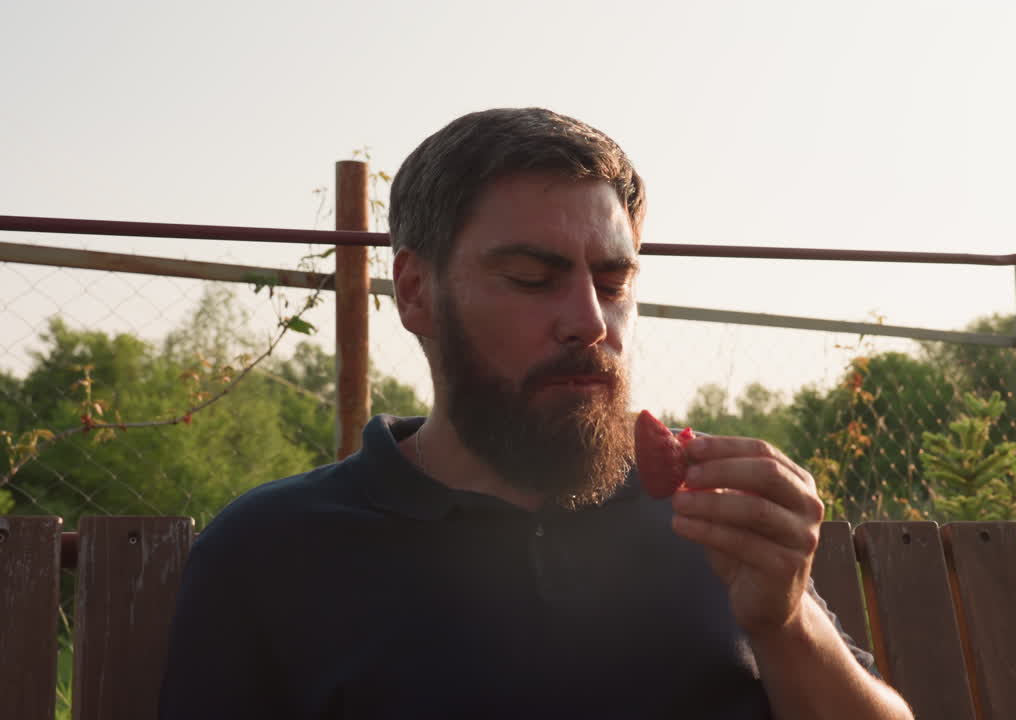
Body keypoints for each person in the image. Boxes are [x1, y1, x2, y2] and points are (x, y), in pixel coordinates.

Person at [158, 108, 913, 720]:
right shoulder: (273, 551)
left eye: (613, 283)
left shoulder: (709, 512)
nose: (590, 321)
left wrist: (786, 622)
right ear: (416, 293)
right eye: (530, 277)